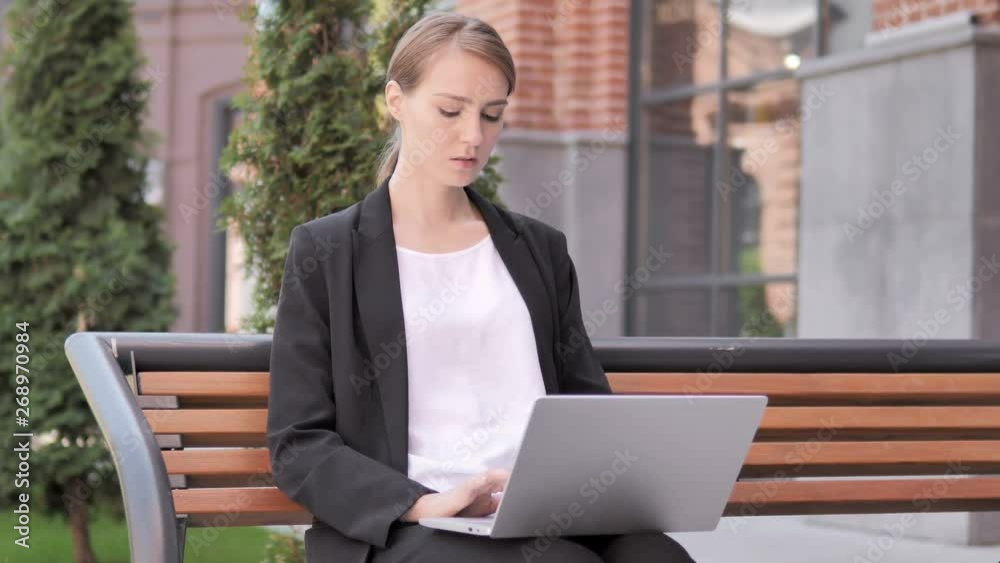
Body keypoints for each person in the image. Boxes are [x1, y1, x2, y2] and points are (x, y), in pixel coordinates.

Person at [266, 10, 697, 563]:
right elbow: (298, 441)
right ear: (396, 102)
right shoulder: (328, 252)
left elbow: (586, 402)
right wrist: (424, 503)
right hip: (409, 525)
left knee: (658, 558)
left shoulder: (538, 250)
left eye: (492, 115)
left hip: (544, 510)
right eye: (450, 110)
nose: (473, 136)